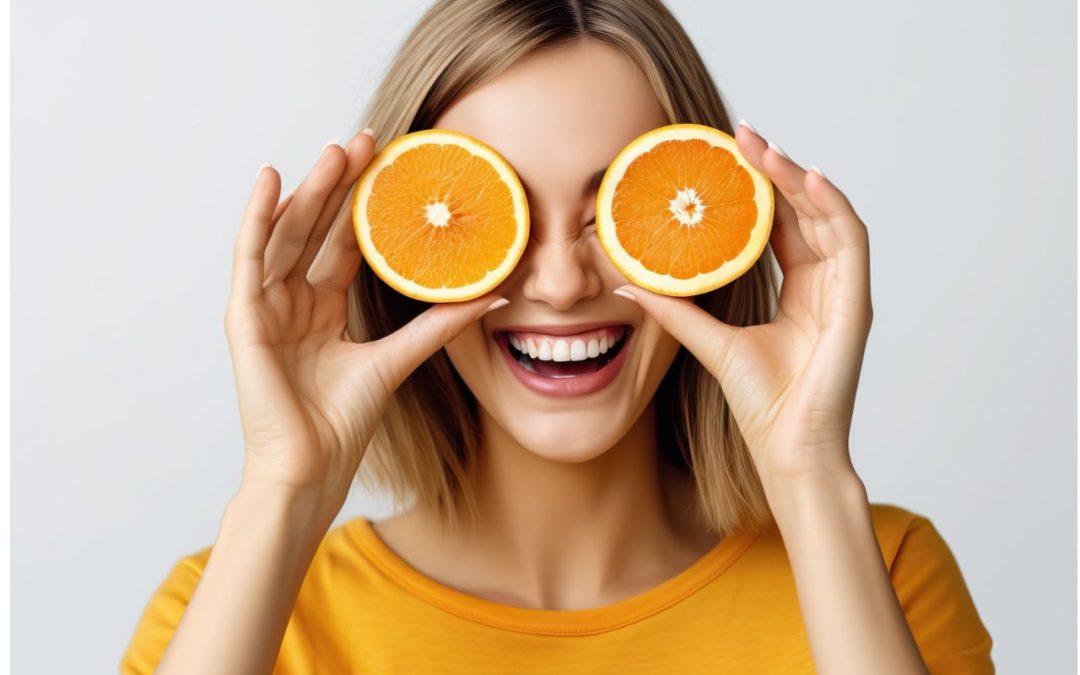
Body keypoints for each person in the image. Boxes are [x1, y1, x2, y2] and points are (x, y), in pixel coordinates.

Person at [120, 1, 994, 673]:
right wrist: (285, 489)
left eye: (613, 209)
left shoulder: (883, 571)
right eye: (492, 216)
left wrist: (807, 471)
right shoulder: (232, 604)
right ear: (397, 254)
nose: (562, 283)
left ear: (712, 234)